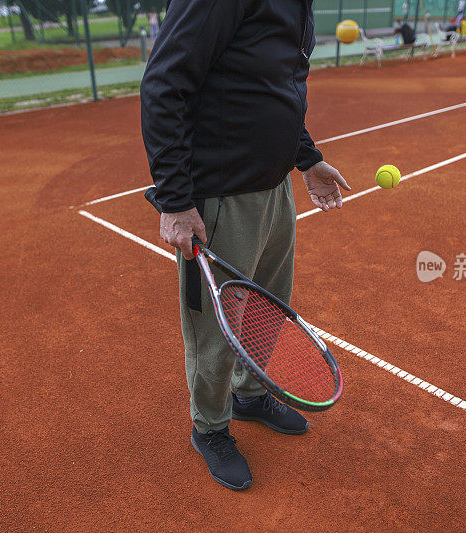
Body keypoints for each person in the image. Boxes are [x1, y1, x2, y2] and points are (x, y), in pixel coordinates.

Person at [140, 0, 350, 491]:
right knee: (217, 329)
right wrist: (175, 200)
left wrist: (306, 159)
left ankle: (250, 393)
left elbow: (272, 88)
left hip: (274, 188)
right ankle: (210, 427)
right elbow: (163, 85)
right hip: (220, 197)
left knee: (265, 309)